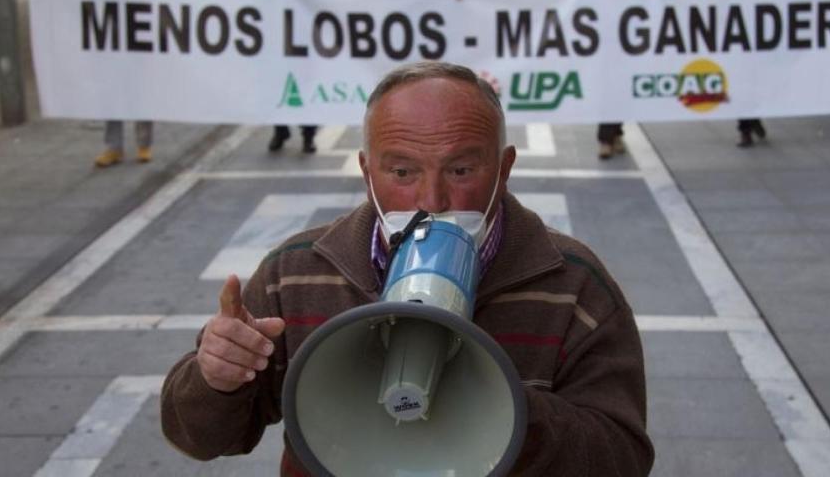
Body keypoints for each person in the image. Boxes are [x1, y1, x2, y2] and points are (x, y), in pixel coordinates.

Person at [159, 61, 655, 475]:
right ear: (366, 171)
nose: (432, 200)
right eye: (401, 171)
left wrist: (507, 413)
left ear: (504, 169)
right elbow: (198, 438)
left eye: (461, 170)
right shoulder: (295, 272)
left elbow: (624, 459)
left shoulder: (575, 285)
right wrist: (215, 378)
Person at [256, 0, 341, 154]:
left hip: (310, 38)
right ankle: (280, 130)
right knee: (277, 85)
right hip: (279, 37)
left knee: (307, 85)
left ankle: (308, 135)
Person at [90, 0, 161, 168]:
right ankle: (113, 147)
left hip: (140, 40)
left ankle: (144, 144)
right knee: (112, 93)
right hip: (111, 41)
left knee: (141, 91)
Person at [577, 0, 650, 159]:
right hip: (604, 45)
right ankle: (605, 139)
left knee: (623, 90)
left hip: (630, 47)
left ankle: (617, 132)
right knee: (608, 90)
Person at [720, 0, 773, 147]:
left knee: (760, 82)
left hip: (766, 36)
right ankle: (745, 129)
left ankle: (754, 117)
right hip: (742, 35)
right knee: (744, 81)